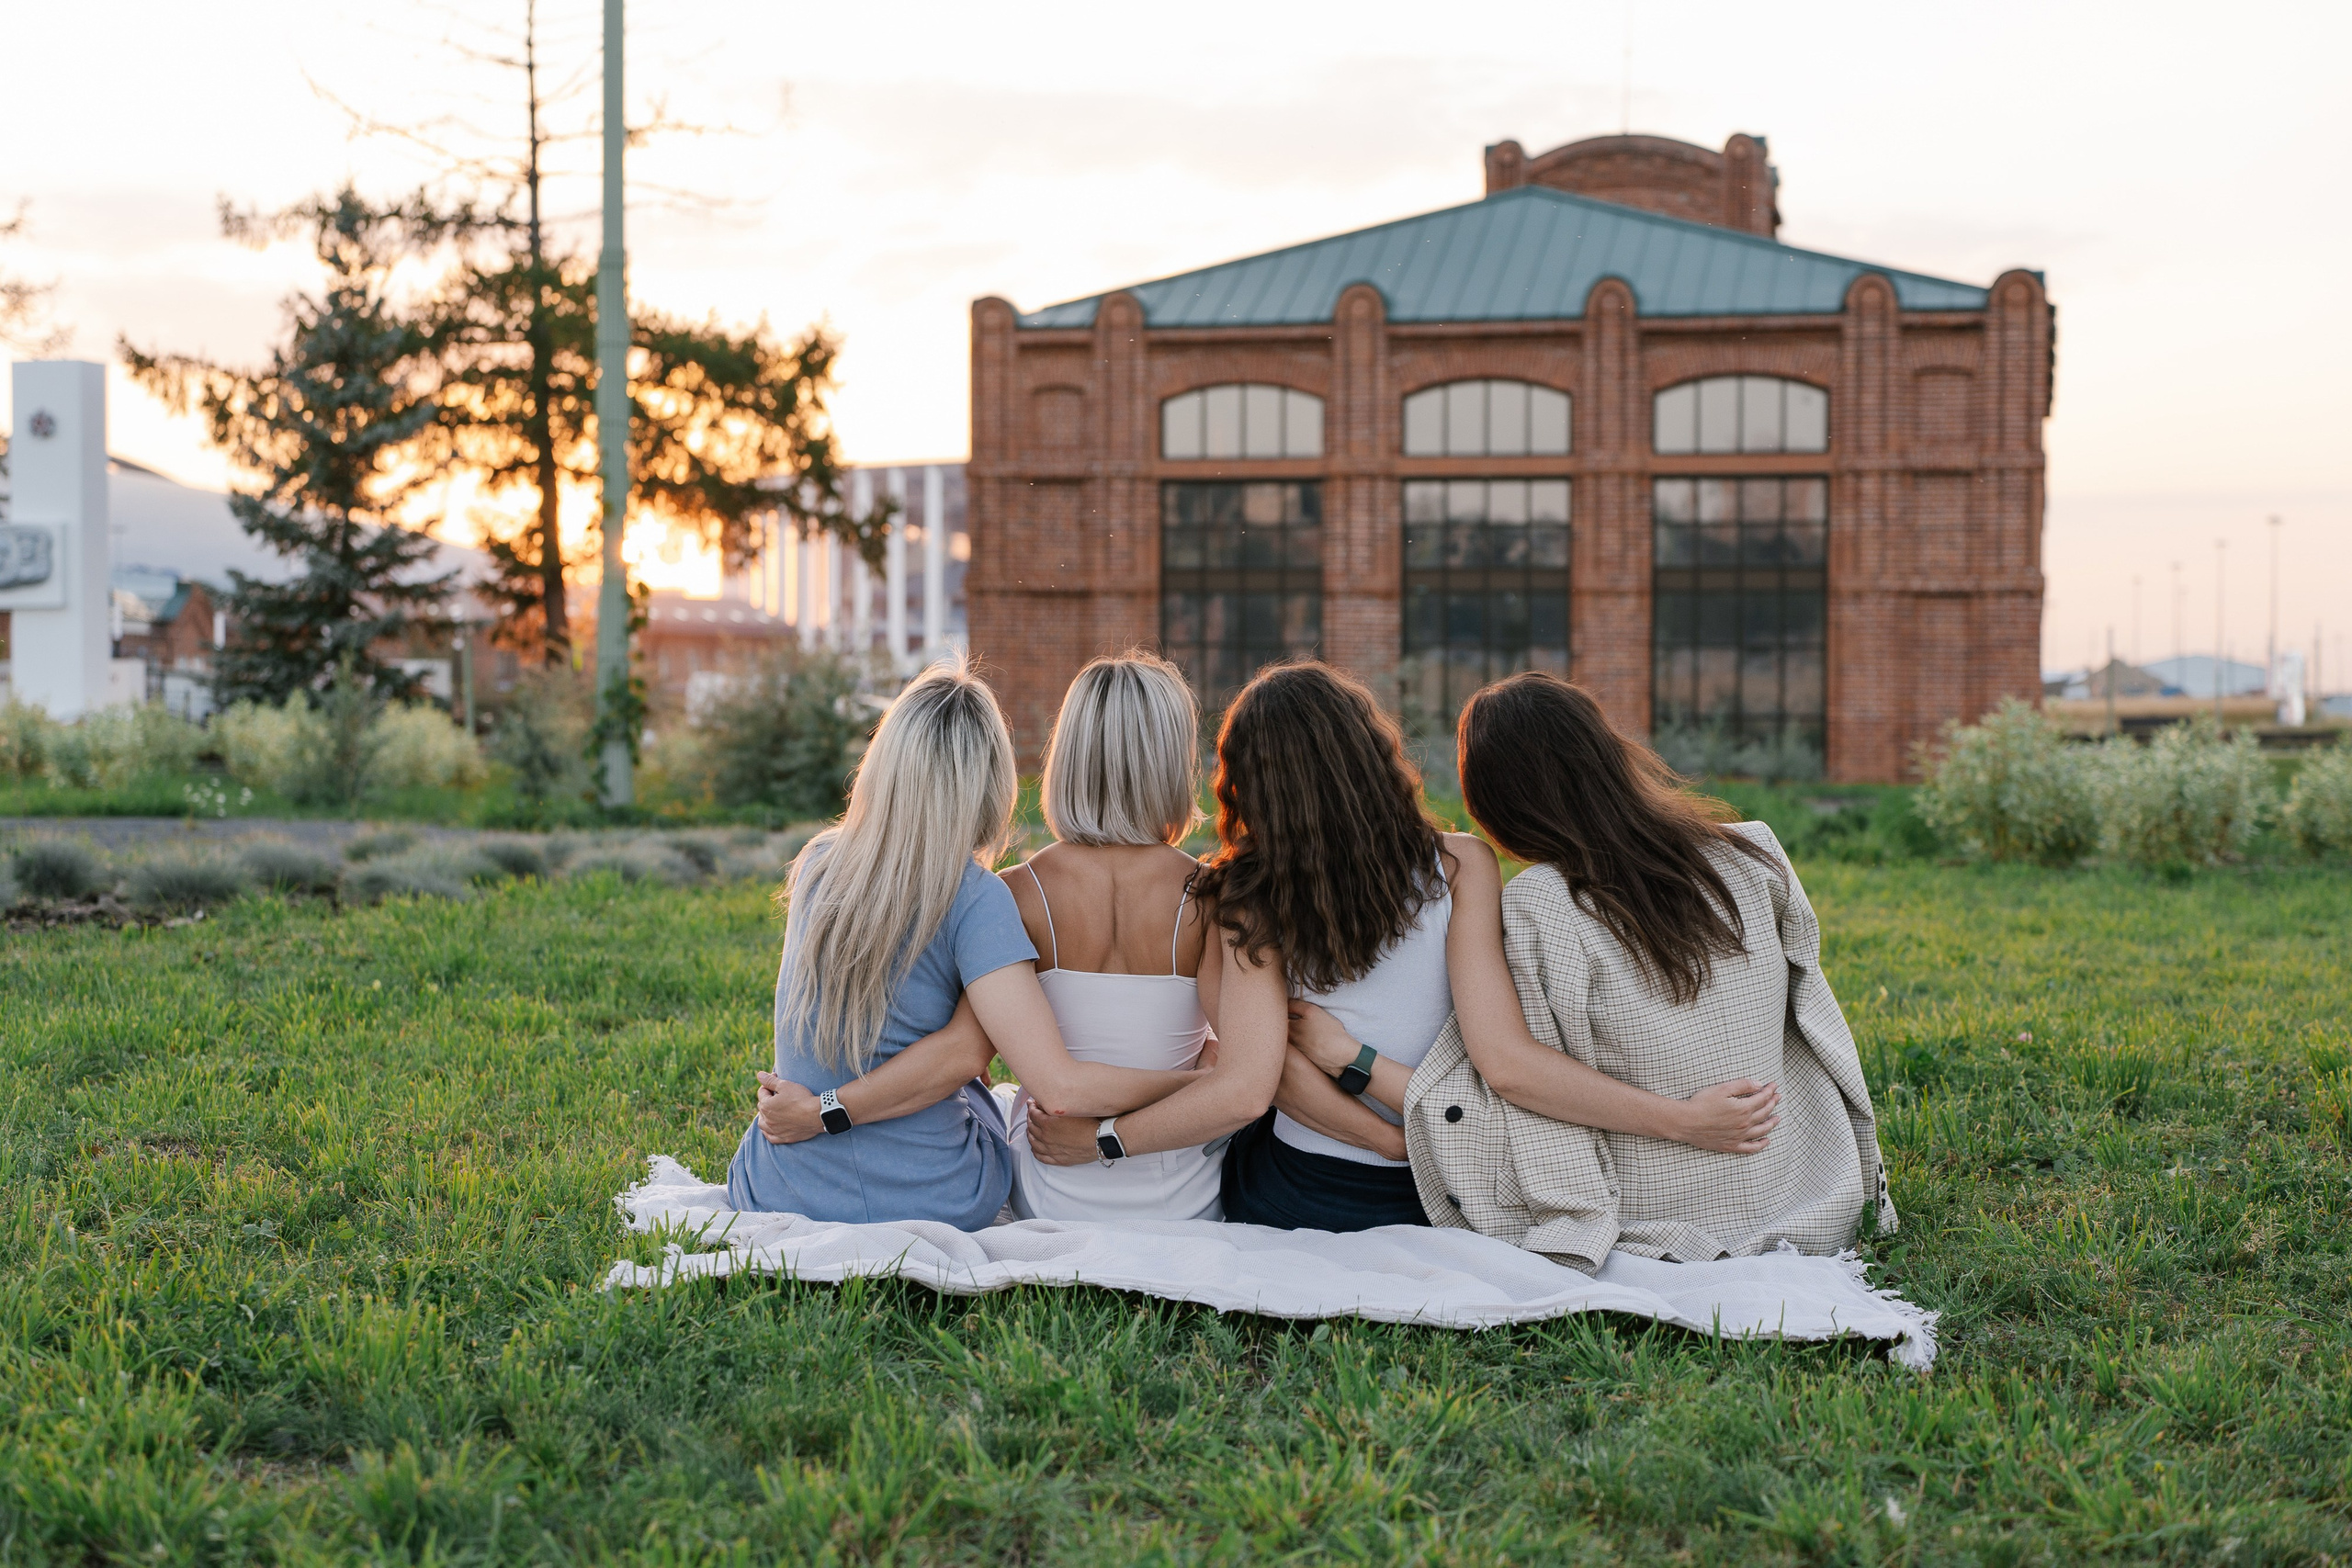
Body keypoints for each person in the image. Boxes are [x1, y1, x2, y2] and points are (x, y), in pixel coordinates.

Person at [1182, 661, 1779, 1234]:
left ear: (1247, 789)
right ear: (1373, 754)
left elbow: (1263, 1073)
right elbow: (1507, 1063)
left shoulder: (1240, 896)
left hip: (1306, 1189)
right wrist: (1681, 1119)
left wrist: (1379, 1120)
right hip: (1453, 1183)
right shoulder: (1462, 863)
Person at [1399, 671, 1895, 1271]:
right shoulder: (1754, 851)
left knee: (1462, 1076)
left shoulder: (1541, 902)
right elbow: (1815, 1023)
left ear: (1498, 803)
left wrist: (1685, 1122)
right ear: (1608, 753)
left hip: (1660, 1217)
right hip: (1805, 1186)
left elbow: (1514, 1074)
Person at [724, 659, 1206, 1228]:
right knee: (974, 1085)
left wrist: (817, 1110)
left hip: (780, 1186)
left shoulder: (817, 864)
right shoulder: (978, 898)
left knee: (971, 1080)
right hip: (937, 1196)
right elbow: (992, 1064)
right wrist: (1201, 1086)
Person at [986, 653, 1231, 1221]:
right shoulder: (1212, 897)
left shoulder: (1013, 892)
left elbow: (977, 1062)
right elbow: (1238, 1067)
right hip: (1185, 1197)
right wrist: (1199, 1068)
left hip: (1051, 1191)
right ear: (1171, 762)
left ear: (1069, 758)